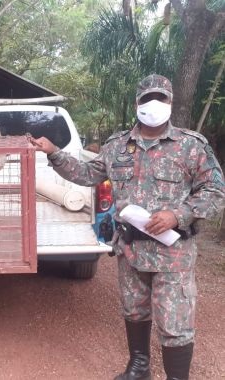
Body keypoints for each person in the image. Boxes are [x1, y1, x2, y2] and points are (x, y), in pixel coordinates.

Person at [30, 74, 225, 380]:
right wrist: (53, 151)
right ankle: (139, 367)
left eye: (160, 99)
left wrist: (178, 214)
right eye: (147, 99)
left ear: (170, 103)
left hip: (171, 254)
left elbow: (214, 192)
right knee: (134, 310)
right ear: (138, 103)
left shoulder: (190, 146)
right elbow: (85, 175)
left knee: (174, 322)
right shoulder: (117, 146)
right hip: (131, 248)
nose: (153, 105)